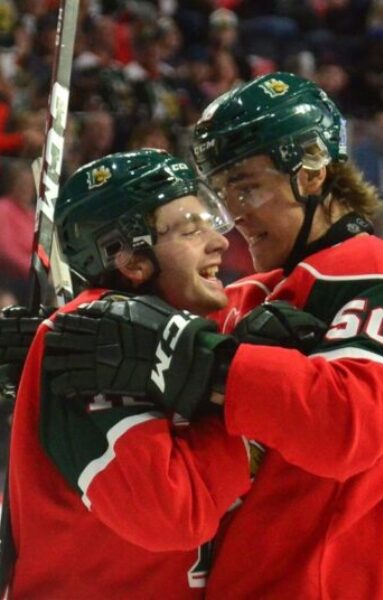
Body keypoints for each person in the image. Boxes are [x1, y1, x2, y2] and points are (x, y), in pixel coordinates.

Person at [42, 73, 383, 599]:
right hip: (261, 574)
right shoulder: (249, 293)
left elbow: (347, 425)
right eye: (221, 192)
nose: (233, 216)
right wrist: (47, 344)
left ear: (310, 171)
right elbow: (145, 357)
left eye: (246, 186)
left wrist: (200, 361)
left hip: (356, 573)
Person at [7, 149, 254, 597]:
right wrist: (252, 419)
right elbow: (172, 515)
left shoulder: (171, 329)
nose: (219, 241)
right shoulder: (90, 341)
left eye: (208, 220)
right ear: (131, 259)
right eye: (189, 229)